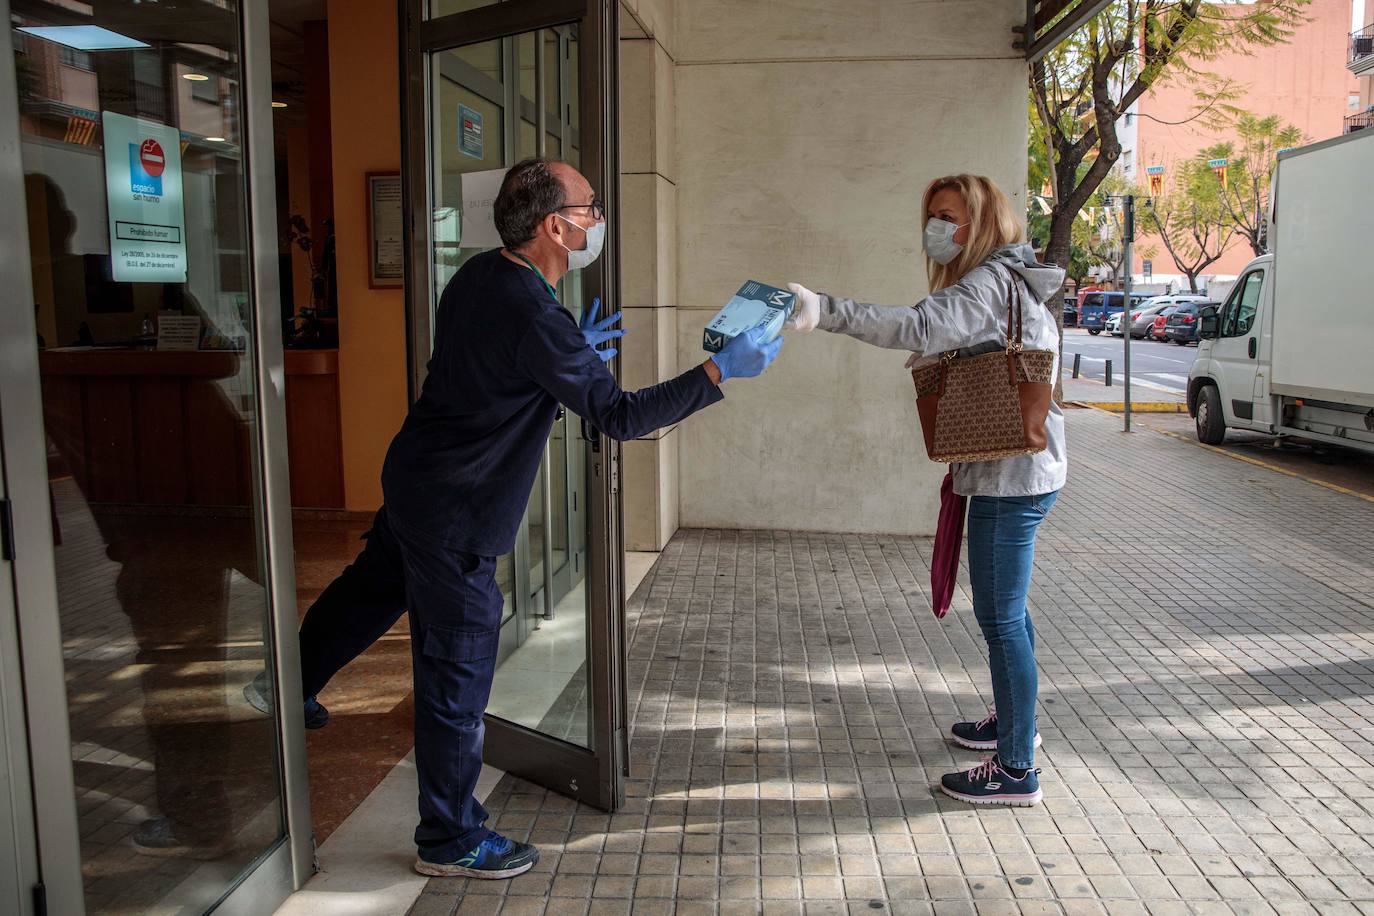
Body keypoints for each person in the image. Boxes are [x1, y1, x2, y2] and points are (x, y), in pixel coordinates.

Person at [254, 157, 783, 879]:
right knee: (456, 674)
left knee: (369, 590)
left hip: (415, 479)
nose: (597, 219)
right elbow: (619, 417)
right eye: (590, 208)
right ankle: (449, 839)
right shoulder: (536, 314)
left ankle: (285, 690)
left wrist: (575, 349)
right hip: (458, 512)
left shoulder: (482, 275)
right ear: (555, 226)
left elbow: (492, 360)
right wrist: (720, 372)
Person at [784, 173, 1066, 807]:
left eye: (950, 217)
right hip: (1019, 473)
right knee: (1010, 615)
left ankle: (1017, 769)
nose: (936, 229)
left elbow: (915, 328)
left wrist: (825, 310)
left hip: (1008, 480)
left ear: (984, 224)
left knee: (1000, 620)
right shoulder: (1013, 280)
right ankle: (1013, 724)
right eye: (932, 216)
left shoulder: (989, 284)